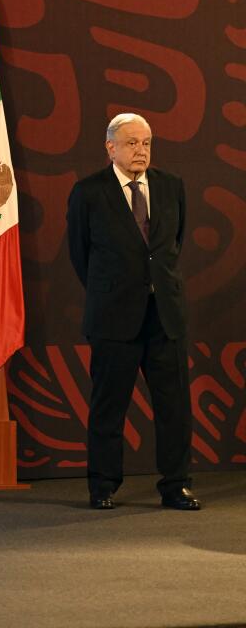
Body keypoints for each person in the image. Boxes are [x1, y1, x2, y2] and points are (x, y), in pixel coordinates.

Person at [66, 113, 199, 511]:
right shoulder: (89, 192)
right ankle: (103, 485)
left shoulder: (171, 186)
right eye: (131, 143)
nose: (140, 150)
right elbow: (80, 254)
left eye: (145, 143)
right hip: (113, 317)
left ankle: (176, 485)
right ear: (110, 148)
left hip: (165, 316)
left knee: (174, 407)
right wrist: (113, 291)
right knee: (109, 406)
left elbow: (172, 243)